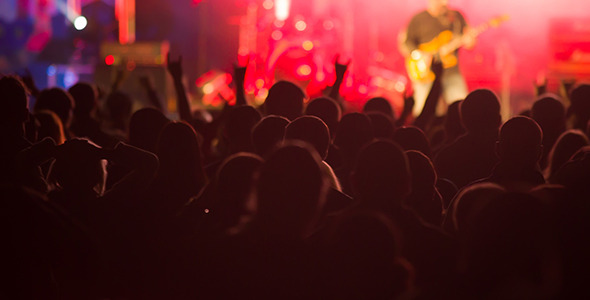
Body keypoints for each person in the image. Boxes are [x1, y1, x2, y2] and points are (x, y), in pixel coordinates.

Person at [401, 0, 475, 116]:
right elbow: (406, 43)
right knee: (422, 111)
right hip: (426, 73)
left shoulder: (455, 17)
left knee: (461, 109)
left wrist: (470, 42)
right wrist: (420, 55)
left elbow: (469, 42)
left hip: (451, 71)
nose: (444, 3)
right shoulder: (418, 19)